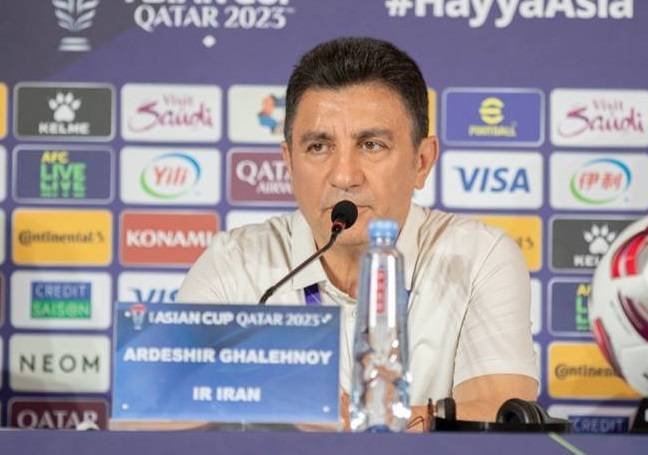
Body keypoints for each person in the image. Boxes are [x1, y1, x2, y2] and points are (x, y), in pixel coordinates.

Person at [178, 36, 538, 430]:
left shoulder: (478, 257)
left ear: (421, 161)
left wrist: (360, 420)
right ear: (289, 162)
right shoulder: (235, 264)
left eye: (371, 145)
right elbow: (164, 408)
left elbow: (502, 416)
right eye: (319, 147)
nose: (344, 176)